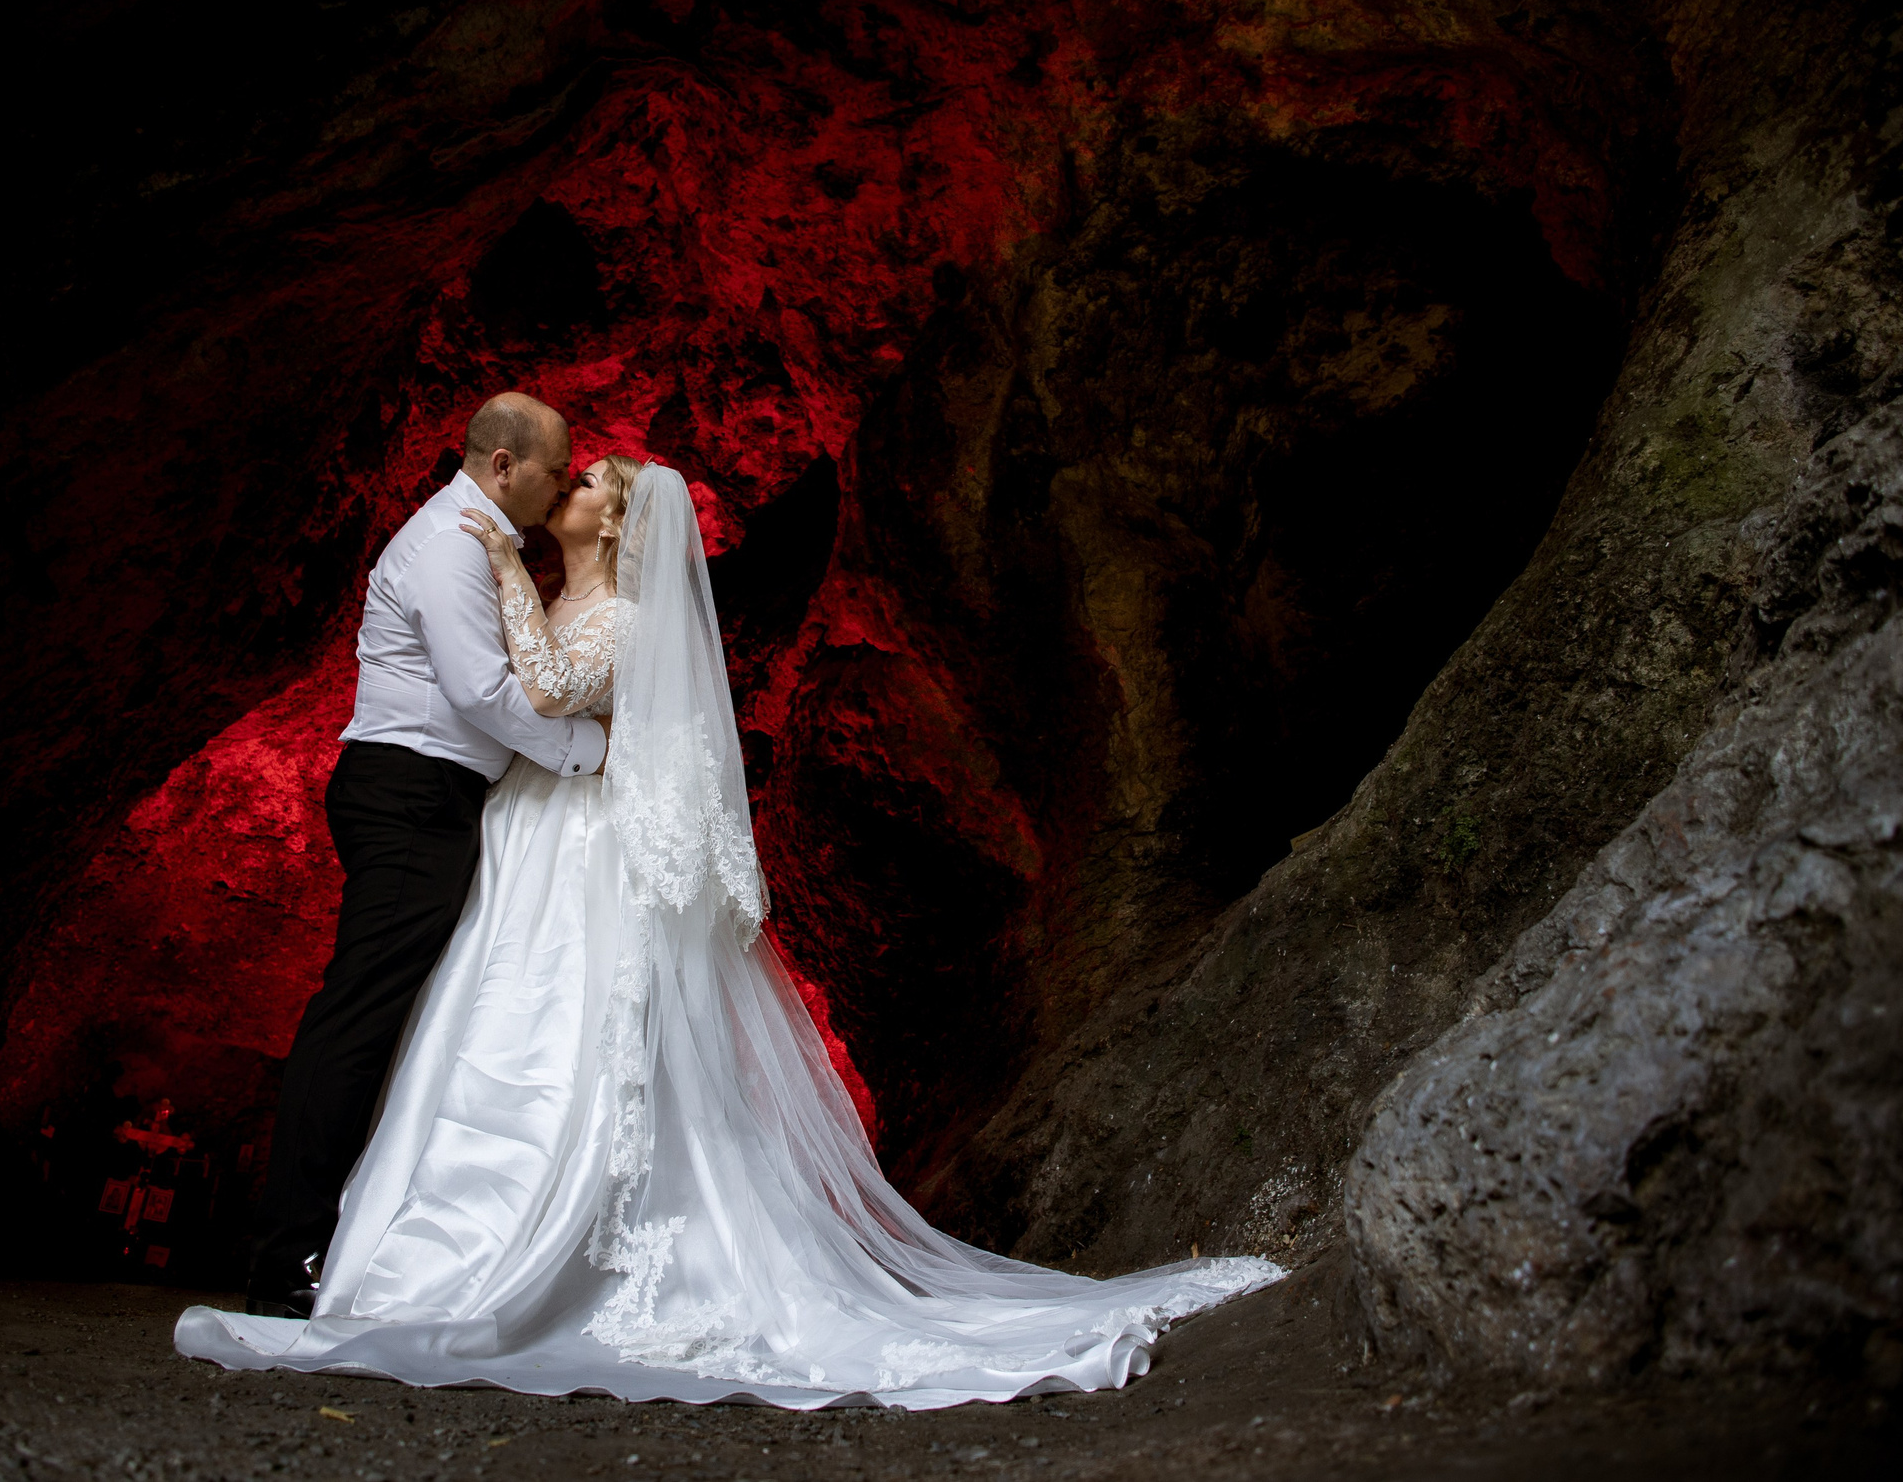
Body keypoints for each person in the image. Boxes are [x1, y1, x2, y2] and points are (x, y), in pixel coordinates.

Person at [186, 453, 1281, 1407]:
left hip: (575, 840)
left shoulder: (621, 615)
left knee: (558, 1025)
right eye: (568, 478)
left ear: (612, 524)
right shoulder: (581, 590)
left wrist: (511, 572)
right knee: (481, 1022)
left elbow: (554, 682)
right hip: (524, 830)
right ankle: (427, 1239)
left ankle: (544, 1244)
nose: (570, 490)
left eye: (588, 485)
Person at [242, 392, 601, 1317]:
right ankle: (289, 1258)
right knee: (357, 1019)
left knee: (389, 1020)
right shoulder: (449, 544)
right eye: (557, 467)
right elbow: (480, 691)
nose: (563, 481)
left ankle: (336, 1238)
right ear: (503, 466)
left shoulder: (477, 539)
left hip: (429, 795)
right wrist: (588, 754)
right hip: (410, 794)